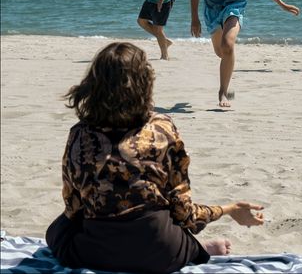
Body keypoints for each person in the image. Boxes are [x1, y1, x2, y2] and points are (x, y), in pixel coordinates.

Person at [46, 42, 264, 274]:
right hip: (160, 252)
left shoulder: (79, 133)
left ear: (94, 85)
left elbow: (73, 206)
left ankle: (193, 247)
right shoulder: (162, 128)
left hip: (94, 253)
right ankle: (196, 248)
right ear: (145, 83)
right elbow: (184, 213)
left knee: (56, 230)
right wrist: (229, 209)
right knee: (166, 222)